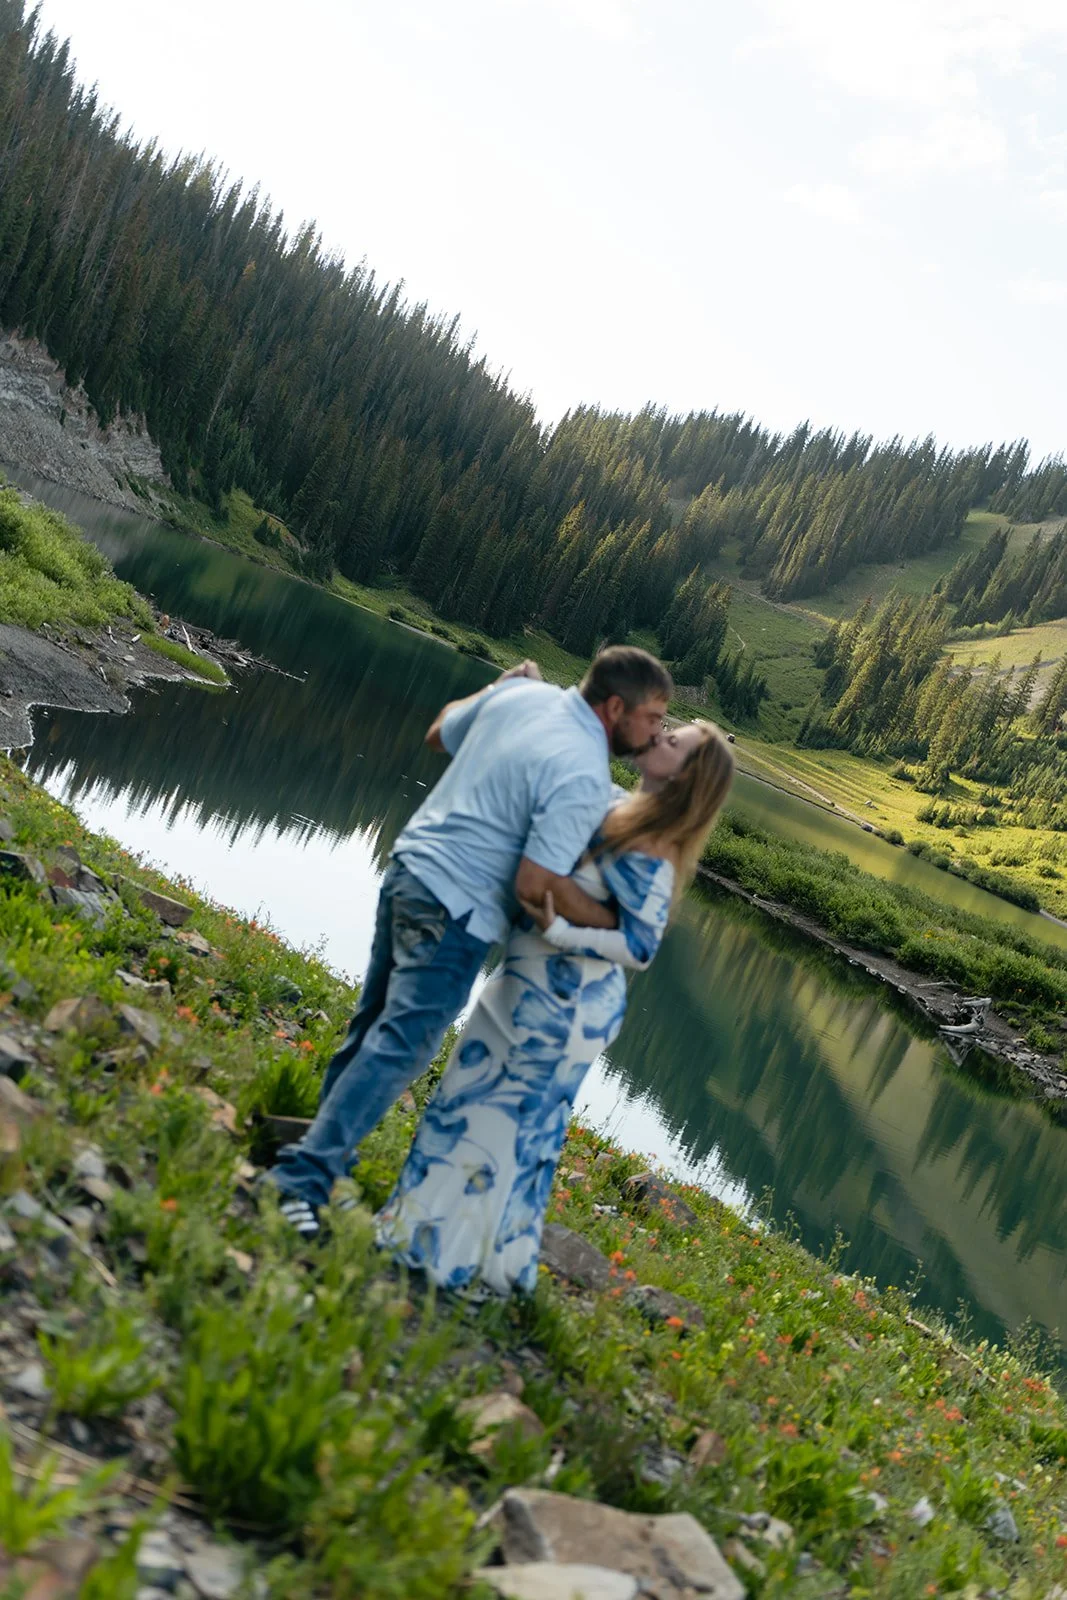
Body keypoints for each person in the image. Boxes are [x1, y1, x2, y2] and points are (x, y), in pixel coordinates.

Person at [267, 645, 673, 1237]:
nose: (657, 730)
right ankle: (300, 1181)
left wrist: (492, 688)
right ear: (616, 707)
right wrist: (623, 921)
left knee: (372, 1026)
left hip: (409, 868)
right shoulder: (584, 772)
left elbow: (438, 734)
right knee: (400, 1046)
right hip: (455, 911)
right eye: (654, 717)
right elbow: (536, 885)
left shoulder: (520, 695)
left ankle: (319, 1157)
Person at [375, 717, 735, 1298]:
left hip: (566, 1005)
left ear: (688, 777)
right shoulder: (620, 807)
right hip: (527, 978)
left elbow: (640, 948)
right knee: (469, 1105)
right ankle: (441, 1239)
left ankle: (443, 1259)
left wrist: (562, 930)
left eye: (677, 741)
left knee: (494, 1123)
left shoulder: (656, 850)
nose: (663, 733)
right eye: (668, 728)